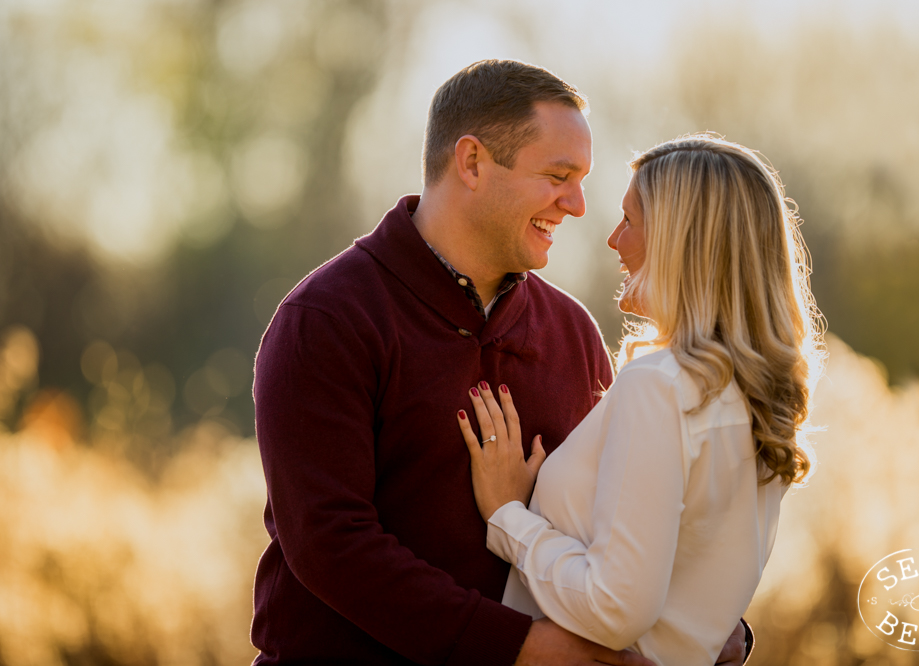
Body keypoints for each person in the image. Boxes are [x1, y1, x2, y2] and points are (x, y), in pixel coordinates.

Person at [251, 60, 748, 665]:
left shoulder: (573, 333)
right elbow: (330, 543)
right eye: (559, 175)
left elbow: (621, 521)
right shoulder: (328, 320)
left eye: (582, 179)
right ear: (472, 163)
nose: (578, 205)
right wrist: (516, 648)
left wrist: (704, 623)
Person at [457, 135, 825, 665]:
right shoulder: (754, 397)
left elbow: (615, 609)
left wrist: (508, 515)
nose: (613, 240)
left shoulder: (659, 385)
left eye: (630, 220)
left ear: (681, 240)